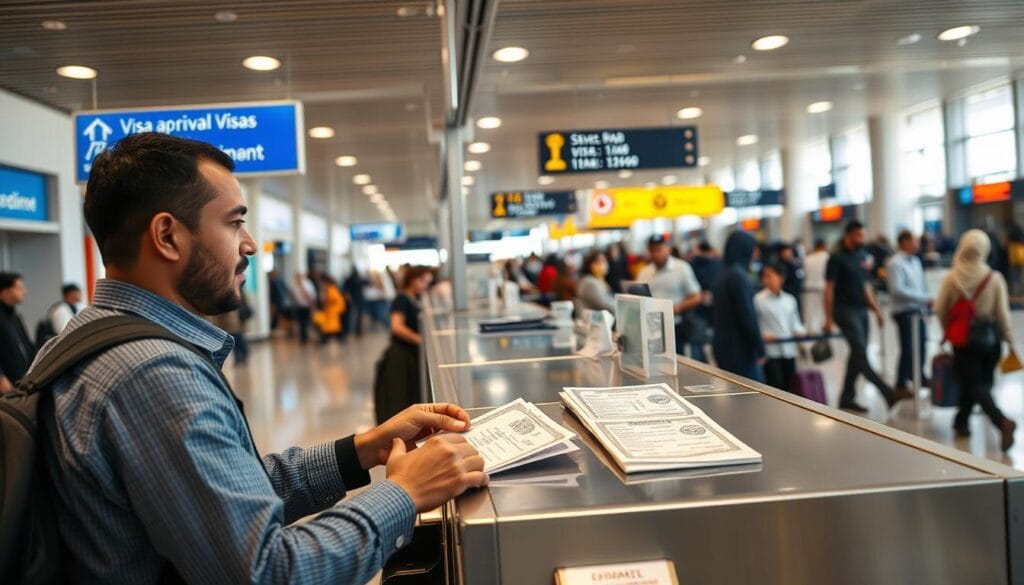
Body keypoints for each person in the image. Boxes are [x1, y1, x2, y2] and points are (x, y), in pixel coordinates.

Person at [30, 133, 486, 583]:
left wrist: (365, 449)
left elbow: (230, 496)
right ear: (167, 236)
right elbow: (269, 572)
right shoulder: (155, 374)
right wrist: (405, 493)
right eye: (233, 223)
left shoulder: (80, 339)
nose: (249, 244)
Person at [935, 229, 1018, 450]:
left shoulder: (952, 278)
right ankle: (961, 422)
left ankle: (1001, 421)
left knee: (972, 383)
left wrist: (948, 331)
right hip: (991, 338)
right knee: (979, 383)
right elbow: (1002, 313)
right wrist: (1008, 339)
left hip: (964, 338)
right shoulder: (994, 277)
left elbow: (940, 308)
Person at [824, 220, 911, 413]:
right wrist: (828, 318)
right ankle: (887, 391)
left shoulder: (862, 256)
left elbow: (865, 287)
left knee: (856, 354)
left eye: (863, 235)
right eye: (858, 236)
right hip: (844, 311)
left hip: (861, 310)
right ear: (848, 235)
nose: (861, 239)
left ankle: (846, 398)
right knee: (861, 353)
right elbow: (829, 289)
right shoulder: (836, 258)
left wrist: (876, 310)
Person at [374, 265, 434, 424]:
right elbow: (397, 326)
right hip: (400, 356)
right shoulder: (401, 299)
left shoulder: (415, 298)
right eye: (423, 281)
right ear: (413, 279)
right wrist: (420, 340)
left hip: (410, 355)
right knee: (399, 398)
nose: (425, 285)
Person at [637, 234, 704, 359]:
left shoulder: (681, 268)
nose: (655, 254)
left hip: (675, 327)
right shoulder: (645, 272)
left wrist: (677, 307)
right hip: (651, 328)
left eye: (658, 249)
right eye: (651, 250)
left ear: (668, 249)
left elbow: (696, 296)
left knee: (676, 363)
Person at [712, 231, 766, 381]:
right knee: (754, 397)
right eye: (752, 248)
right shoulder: (739, 277)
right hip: (741, 351)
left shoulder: (723, 274)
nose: (755, 253)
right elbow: (747, 316)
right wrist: (759, 348)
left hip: (724, 348)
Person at [887, 230, 932, 394]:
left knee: (921, 344)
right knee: (908, 347)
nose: (917, 244)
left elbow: (920, 284)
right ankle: (900, 383)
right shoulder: (895, 263)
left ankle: (918, 375)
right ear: (904, 242)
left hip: (918, 310)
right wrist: (923, 298)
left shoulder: (916, 261)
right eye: (914, 241)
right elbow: (897, 290)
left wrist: (925, 302)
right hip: (904, 312)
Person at [755, 263, 807, 393]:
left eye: (770, 276)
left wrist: (801, 334)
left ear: (781, 278)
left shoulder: (790, 300)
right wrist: (762, 336)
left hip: (789, 350)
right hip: (771, 352)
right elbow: (754, 325)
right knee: (775, 387)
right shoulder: (758, 300)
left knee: (790, 387)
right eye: (765, 276)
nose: (765, 279)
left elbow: (795, 323)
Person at [0, 272, 34, 393]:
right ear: (5, 291)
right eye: (19, 288)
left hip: (21, 381)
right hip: (5, 385)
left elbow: (27, 345)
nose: (24, 292)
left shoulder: (15, 317)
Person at [209, 287, 250, 365]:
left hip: (232, 318)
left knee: (236, 337)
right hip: (228, 319)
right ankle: (240, 355)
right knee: (235, 337)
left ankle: (241, 355)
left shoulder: (234, 289)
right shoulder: (228, 288)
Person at [36, 283, 84, 349]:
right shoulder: (61, 310)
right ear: (70, 294)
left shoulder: (70, 308)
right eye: (78, 292)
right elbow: (64, 334)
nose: (81, 294)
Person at [803, 239, 830, 333]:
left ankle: (812, 331)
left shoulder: (807, 258)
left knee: (812, 312)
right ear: (824, 246)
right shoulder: (827, 257)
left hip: (810, 288)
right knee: (823, 312)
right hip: (823, 288)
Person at [313, 274, 346, 344]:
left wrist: (326, 303)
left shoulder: (331, 289)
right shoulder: (329, 288)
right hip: (331, 310)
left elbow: (335, 300)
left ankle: (325, 340)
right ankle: (338, 338)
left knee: (330, 326)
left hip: (333, 310)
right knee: (332, 326)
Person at [777, 243, 805, 313]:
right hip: (785, 294)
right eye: (786, 252)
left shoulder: (794, 264)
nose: (789, 254)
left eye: (790, 252)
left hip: (795, 294)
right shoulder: (779, 266)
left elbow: (800, 275)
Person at [290, 272, 316, 343]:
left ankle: (308, 337)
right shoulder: (294, 285)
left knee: (306, 322)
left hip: (307, 306)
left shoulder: (307, 284)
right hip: (299, 306)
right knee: (301, 322)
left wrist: (301, 288)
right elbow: (294, 296)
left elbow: (310, 296)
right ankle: (303, 337)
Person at [341, 268, 366, 339]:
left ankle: (355, 332)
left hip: (356, 299)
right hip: (354, 300)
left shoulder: (352, 279)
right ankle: (349, 332)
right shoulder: (353, 279)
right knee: (350, 317)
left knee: (356, 316)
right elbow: (346, 291)